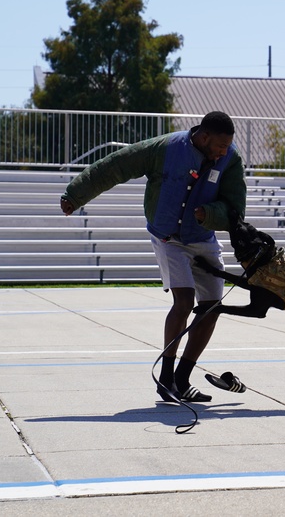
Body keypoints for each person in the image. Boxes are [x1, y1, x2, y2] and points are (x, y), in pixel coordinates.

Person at [60, 111, 246, 403]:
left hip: (202, 238)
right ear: (204, 136)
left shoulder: (230, 159)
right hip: (168, 238)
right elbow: (116, 165)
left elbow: (236, 208)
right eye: (221, 145)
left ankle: (183, 379)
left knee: (211, 308)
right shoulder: (167, 148)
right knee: (183, 302)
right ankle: (166, 378)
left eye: (228, 146)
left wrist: (210, 214)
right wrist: (75, 195)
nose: (224, 151)